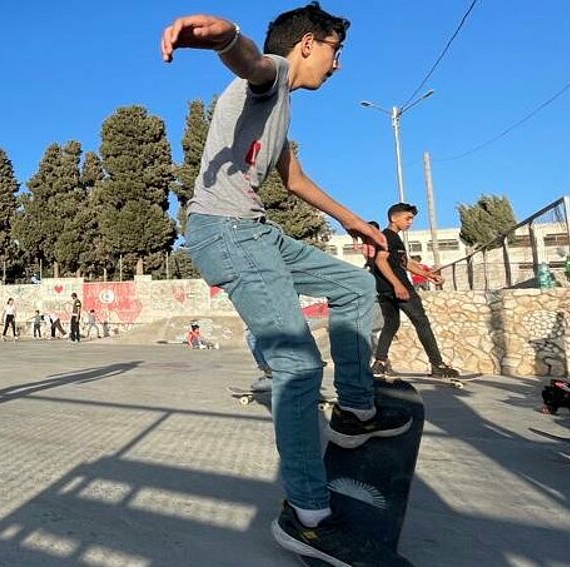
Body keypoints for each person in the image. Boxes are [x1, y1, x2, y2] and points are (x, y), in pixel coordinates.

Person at [164, 4, 413, 564]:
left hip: (255, 231)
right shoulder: (272, 74)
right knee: (298, 365)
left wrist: (354, 221)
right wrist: (225, 35)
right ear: (307, 45)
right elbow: (248, 61)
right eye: (334, 51)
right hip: (227, 232)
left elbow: (293, 179)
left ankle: (354, 412)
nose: (337, 65)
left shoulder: (282, 111)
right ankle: (309, 517)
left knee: (352, 286)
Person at [370, 203, 459, 379]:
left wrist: (427, 274)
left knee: (391, 323)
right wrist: (398, 285)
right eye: (407, 218)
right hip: (398, 288)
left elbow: (404, 263)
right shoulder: (388, 236)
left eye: (412, 219)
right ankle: (437, 365)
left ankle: (380, 363)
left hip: (385, 289)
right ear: (394, 218)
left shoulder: (394, 238)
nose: (410, 222)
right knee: (421, 321)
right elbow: (381, 261)